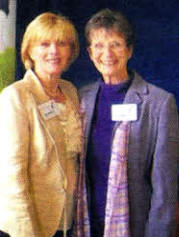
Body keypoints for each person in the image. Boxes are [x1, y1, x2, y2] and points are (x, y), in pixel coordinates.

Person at [75, 8, 179, 237]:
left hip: (135, 228)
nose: (107, 53)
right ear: (90, 53)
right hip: (85, 224)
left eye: (116, 44)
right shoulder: (80, 98)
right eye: (99, 46)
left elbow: (166, 188)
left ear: (129, 50)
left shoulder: (159, 103)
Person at [0, 12, 82, 237]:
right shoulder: (16, 96)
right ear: (30, 51)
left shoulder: (70, 91)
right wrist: (26, 231)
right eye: (44, 44)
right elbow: (11, 173)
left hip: (66, 218)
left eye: (62, 43)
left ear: (71, 51)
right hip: (30, 222)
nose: (54, 51)